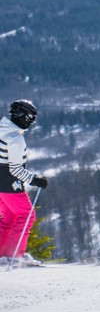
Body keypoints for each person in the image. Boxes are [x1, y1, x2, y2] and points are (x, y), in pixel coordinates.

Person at [0, 100, 48, 267]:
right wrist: (35, 179)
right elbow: (15, 169)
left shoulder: (2, 131)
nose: (31, 122)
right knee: (26, 216)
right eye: (30, 117)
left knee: (9, 218)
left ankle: (3, 255)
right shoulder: (15, 139)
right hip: (10, 186)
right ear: (23, 116)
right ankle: (15, 256)